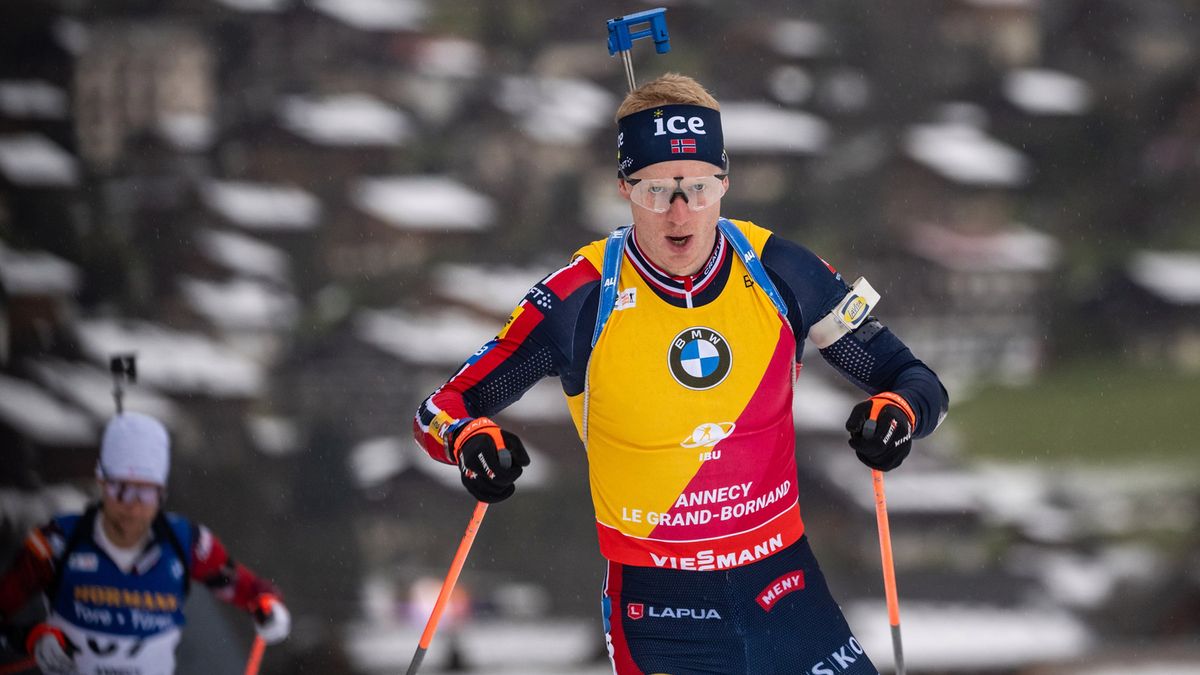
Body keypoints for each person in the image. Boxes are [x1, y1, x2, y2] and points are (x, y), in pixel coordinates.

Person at [413, 72, 949, 673]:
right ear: (623, 187)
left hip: (784, 589)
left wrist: (898, 415)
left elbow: (914, 378)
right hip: (662, 606)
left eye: (698, 187)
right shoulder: (580, 300)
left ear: (725, 182)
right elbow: (442, 407)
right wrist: (469, 441)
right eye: (654, 191)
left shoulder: (782, 273)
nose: (679, 212)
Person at [0, 412, 291, 674]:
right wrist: (31, 637)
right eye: (121, 490)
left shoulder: (186, 542)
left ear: (161, 494)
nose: (133, 507)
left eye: (146, 494)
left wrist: (266, 604)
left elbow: (239, 586)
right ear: (102, 482)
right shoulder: (58, 542)